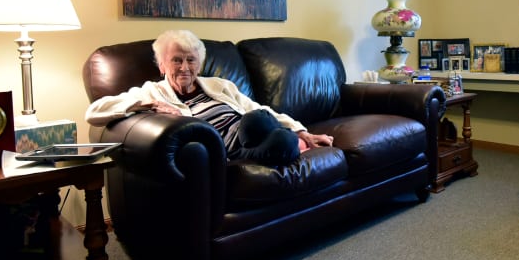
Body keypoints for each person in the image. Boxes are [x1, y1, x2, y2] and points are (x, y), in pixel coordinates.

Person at [85, 30, 333, 166]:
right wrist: (145, 104)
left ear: (199, 63)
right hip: (221, 145)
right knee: (279, 139)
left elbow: (256, 107)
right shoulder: (151, 91)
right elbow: (94, 112)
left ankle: (280, 145)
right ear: (162, 65)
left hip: (249, 130)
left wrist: (304, 132)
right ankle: (278, 146)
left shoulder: (219, 85)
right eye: (176, 60)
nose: (184, 67)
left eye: (190, 59)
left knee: (260, 118)